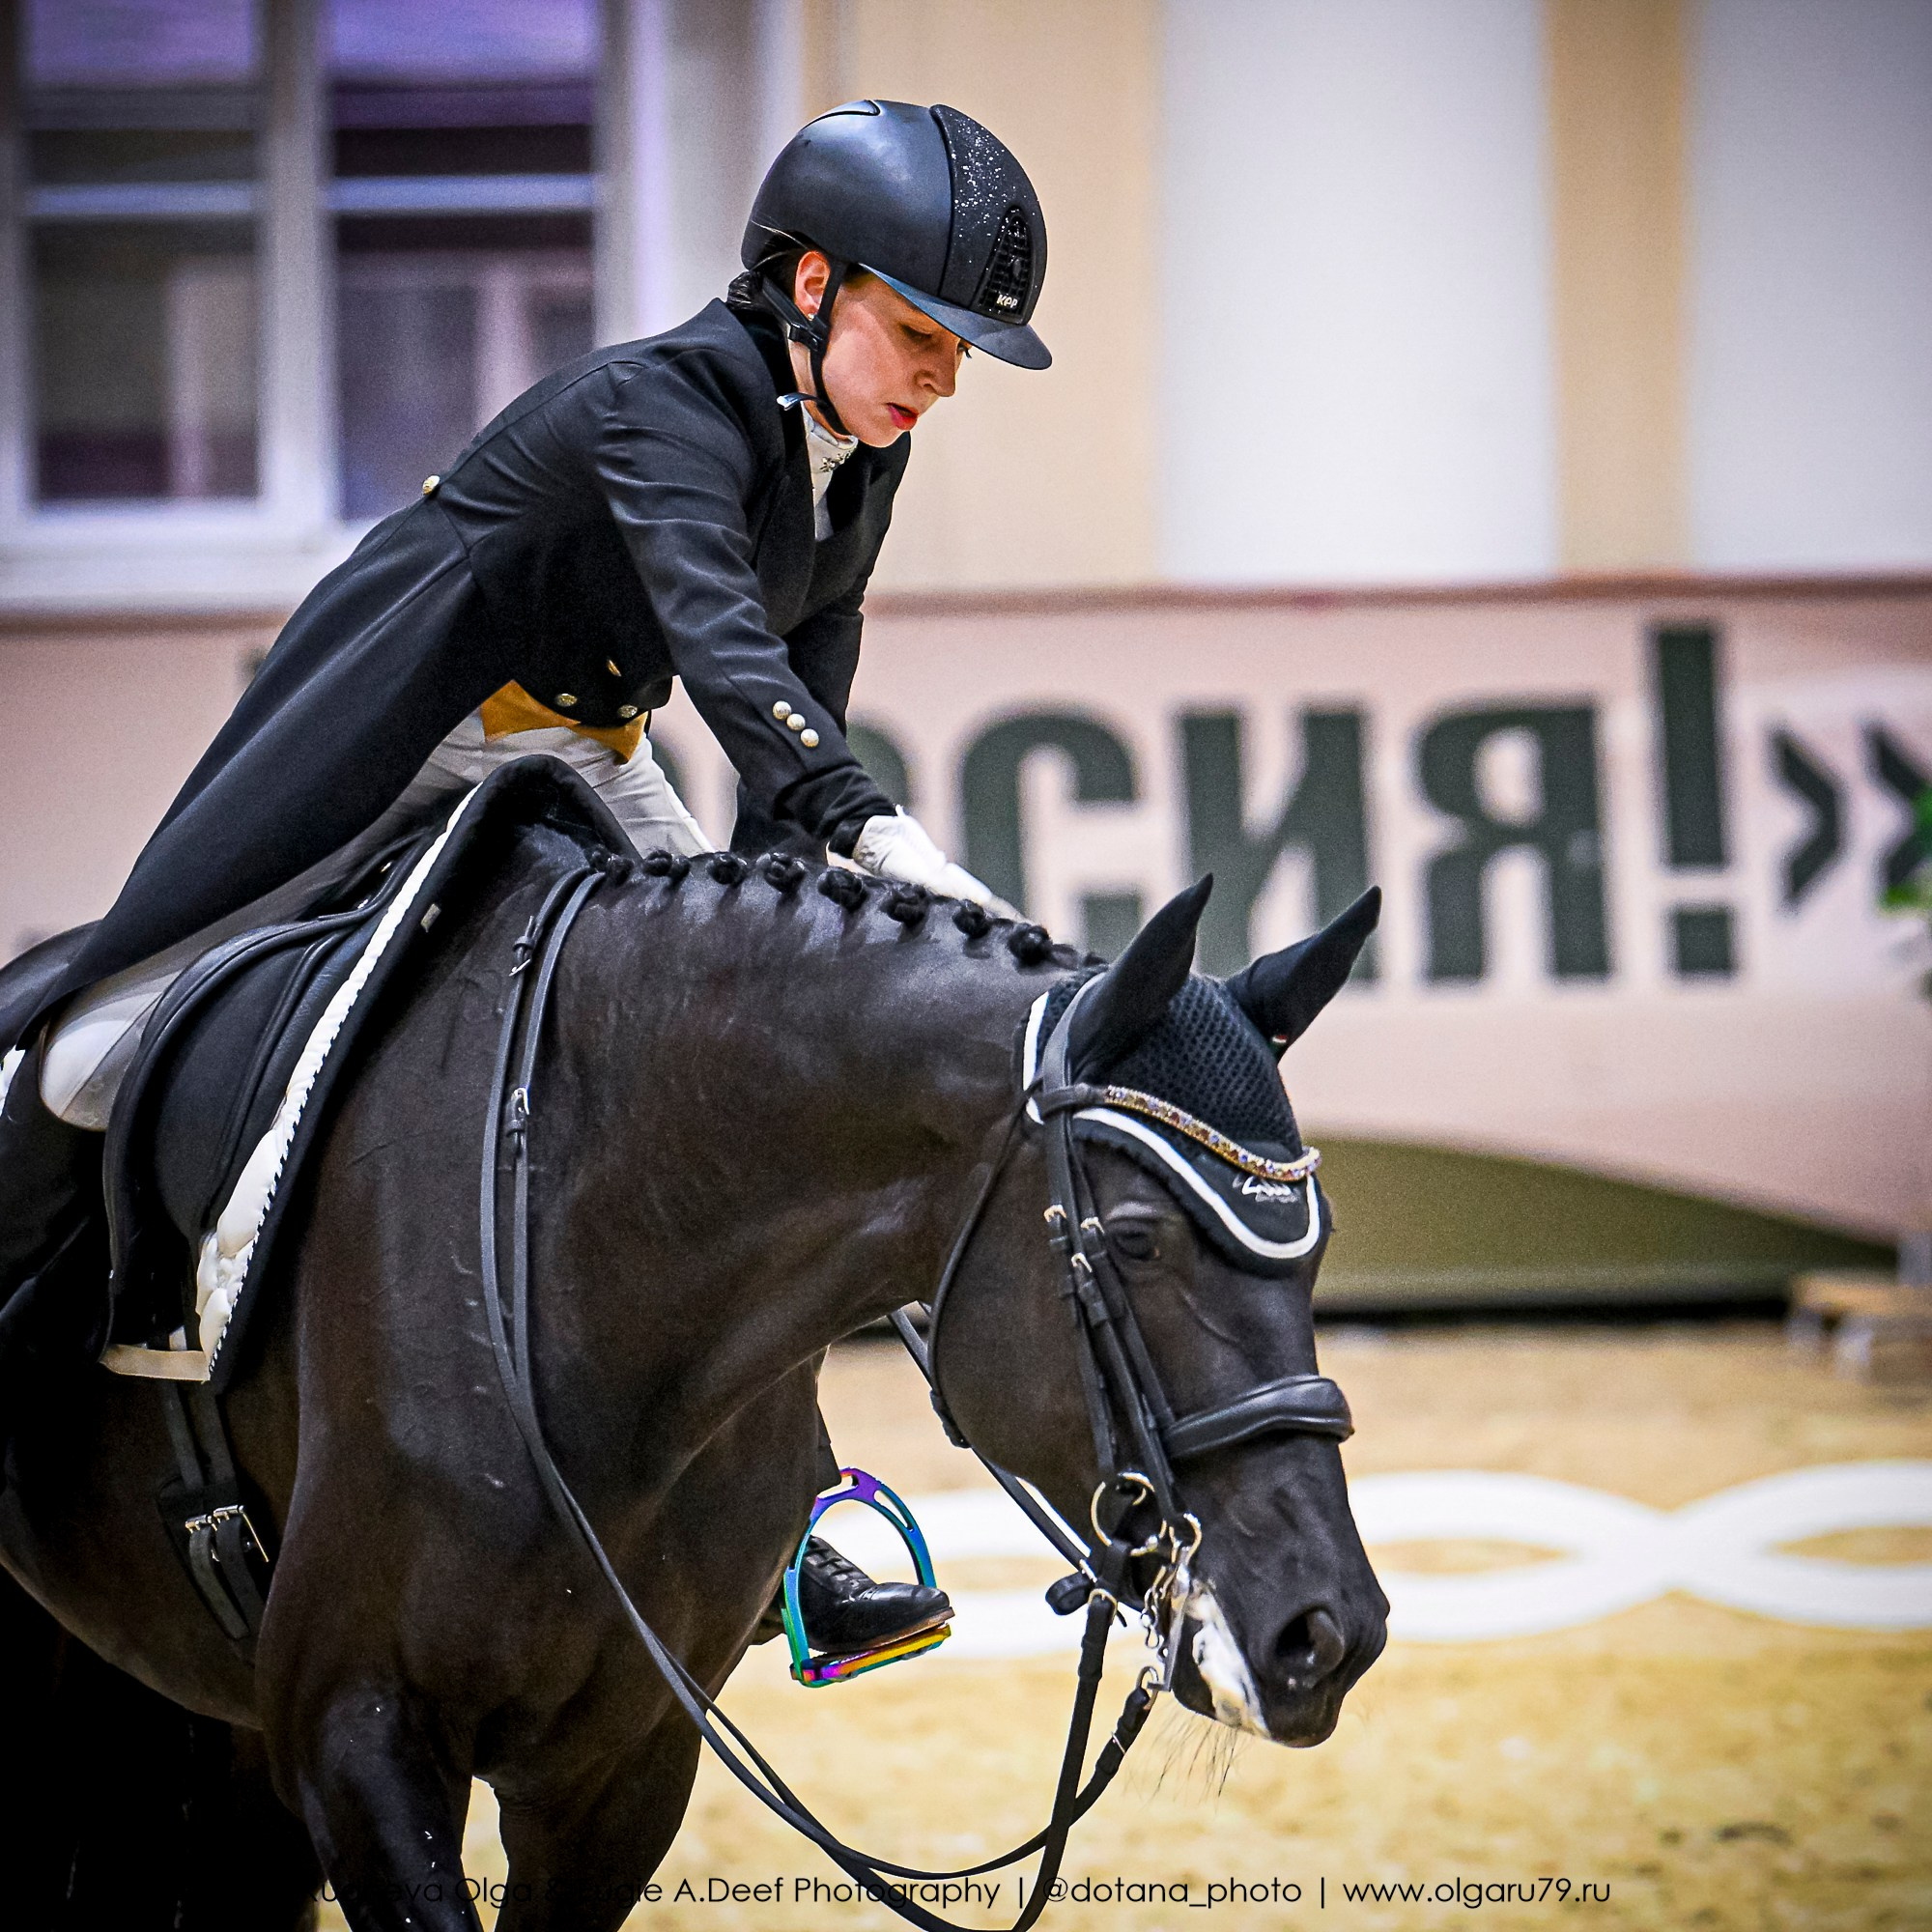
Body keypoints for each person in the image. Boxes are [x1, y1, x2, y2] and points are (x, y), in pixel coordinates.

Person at [0, 99, 1051, 1661]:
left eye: (961, 353)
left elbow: (805, 689)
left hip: (578, 753)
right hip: (404, 733)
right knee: (94, 1056)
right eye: (921, 334)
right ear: (812, 282)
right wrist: (882, 836)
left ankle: (789, 1523)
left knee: (755, 1080)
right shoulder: (661, 403)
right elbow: (728, 644)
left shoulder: (851, 449)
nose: (940, 377)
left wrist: (808, 914)